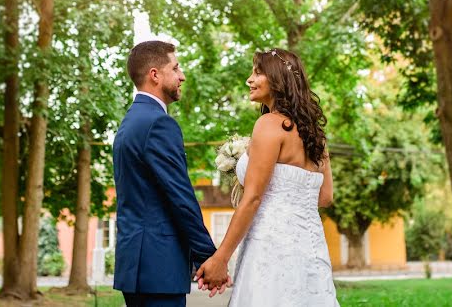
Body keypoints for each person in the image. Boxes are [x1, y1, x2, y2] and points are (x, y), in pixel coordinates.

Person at [196, 48, 338, 306]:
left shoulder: (270, 124)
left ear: (278, 80)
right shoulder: (316, 136)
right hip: (310, 249)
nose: (249, 79)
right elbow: (325, 197)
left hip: (271, 247)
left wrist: (221, 258)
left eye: (257, 73)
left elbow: (252, 198)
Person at [113, 40, 231, 307]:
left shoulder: (130, 122)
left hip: (135, 265)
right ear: (155, 74)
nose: (182, 76)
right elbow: (180, 198)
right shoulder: (159, 124)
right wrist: (210, 258)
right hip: (159, 267)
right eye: (176, 68)